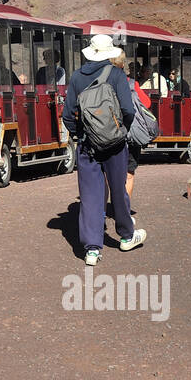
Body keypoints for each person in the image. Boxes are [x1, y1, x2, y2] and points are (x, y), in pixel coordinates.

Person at [62, 34, 146, 266]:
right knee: (118, 189)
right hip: (115, 145)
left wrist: (82, 133)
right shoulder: (117, 75)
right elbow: (128, 110)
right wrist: (119, 132)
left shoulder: (77, 77)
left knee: (90, 196)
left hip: (88, 145)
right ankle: (127, 236)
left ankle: (91, 249)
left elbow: (67, 115)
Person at [111, 52, 151, 203]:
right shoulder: (131, 83)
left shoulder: (101, 82)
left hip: (108, 133)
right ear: (123, 65)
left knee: (108, 174)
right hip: (129, 134)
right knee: (129, 173)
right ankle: (124, 209)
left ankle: (105, 209)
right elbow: (146, 103)